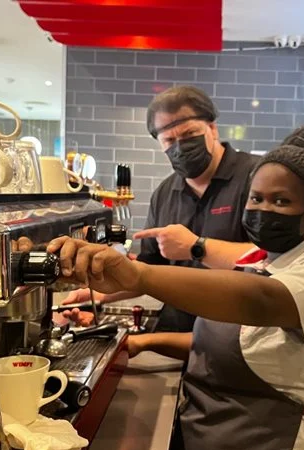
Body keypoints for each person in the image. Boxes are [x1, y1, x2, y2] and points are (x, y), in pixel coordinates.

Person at [48, 124, 304, 450]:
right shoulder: (257, 262)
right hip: (209, 444)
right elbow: (223, 343)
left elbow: (257, 302)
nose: (263, 210)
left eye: (281, 201)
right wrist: (141, 342)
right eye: (256, 198)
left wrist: (139, 275)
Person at [59, 85, 257, 332]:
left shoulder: (255, 179)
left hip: (237, 335)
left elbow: (274, 262)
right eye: (169, 140)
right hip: (175, 331)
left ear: (212, 128)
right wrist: (98, 296)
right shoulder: (165, 194)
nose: (180, 146)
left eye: (189, 134)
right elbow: (148, 271)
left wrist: (197, 247)